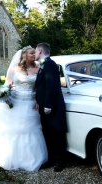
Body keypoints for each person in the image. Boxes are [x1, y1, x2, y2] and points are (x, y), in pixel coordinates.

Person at [0, 46, 48, 171]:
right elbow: (7, 85)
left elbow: (39, 88)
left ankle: (29, 159)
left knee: (30, 128)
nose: (34, 55)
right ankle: (10, 158)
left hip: (31, 103)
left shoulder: (38, 69)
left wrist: (38, 100)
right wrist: (5, 96)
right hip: (16, 101)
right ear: (24, 55)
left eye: (34, 53)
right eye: (31, 53)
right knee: (14, 129)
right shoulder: (15, 68)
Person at [35, 42, 67, 172]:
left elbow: (51, 85)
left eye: (36, 51)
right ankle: (51, 160)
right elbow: (41, 86)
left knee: (56, 134)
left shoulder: (50, 64)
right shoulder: (43, 65)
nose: (35, 54)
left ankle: (60, 162)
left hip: (52, 107)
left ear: (40, 51)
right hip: (44, 107)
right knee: (47, 134)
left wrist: (48, 105)